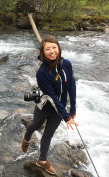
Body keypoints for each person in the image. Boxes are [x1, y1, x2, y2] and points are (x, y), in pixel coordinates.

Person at [21, 36, 79, 175]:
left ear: (59, 48)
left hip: (60, 109)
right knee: (35, 125)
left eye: (54, 47)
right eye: (48, 49)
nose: (52, 51)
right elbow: (52, 97)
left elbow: (72, 87)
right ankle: (26, 138)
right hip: (45, 107)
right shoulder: (42, 72)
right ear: (43, 52)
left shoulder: (67, 64)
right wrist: (66, 116)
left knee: (48, 135)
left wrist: (72, 109)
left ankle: (42, 161)